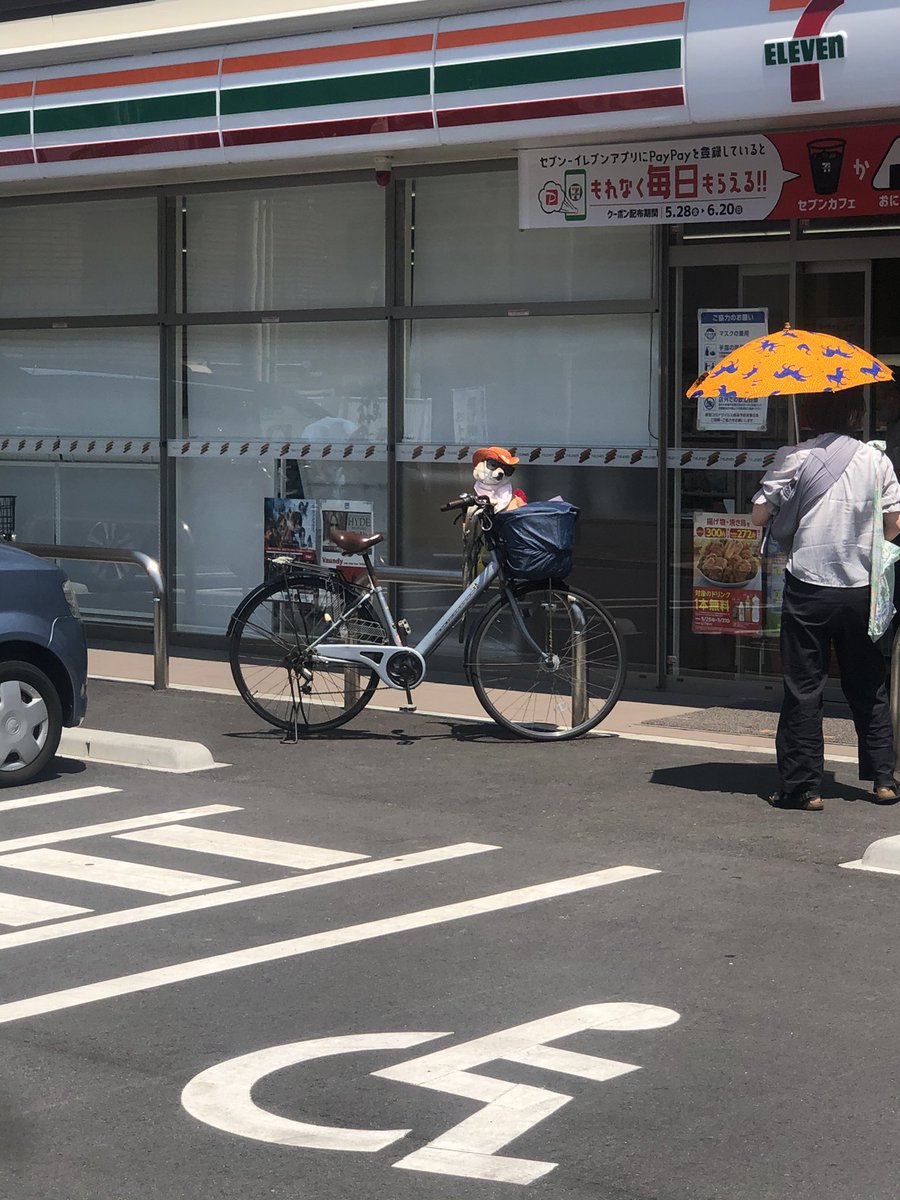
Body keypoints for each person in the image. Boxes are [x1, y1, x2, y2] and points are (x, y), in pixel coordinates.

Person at [751, 391, 900, 811]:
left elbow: (759, 518)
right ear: (857, 415)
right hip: (860, 588)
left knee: (804, 687)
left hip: (809, 585)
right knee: (868, 683)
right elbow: (893, 525)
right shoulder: (877, 460)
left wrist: (782, 478)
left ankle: (804, 788)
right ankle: (884, 779)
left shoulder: (794, 457)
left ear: (809, 413)